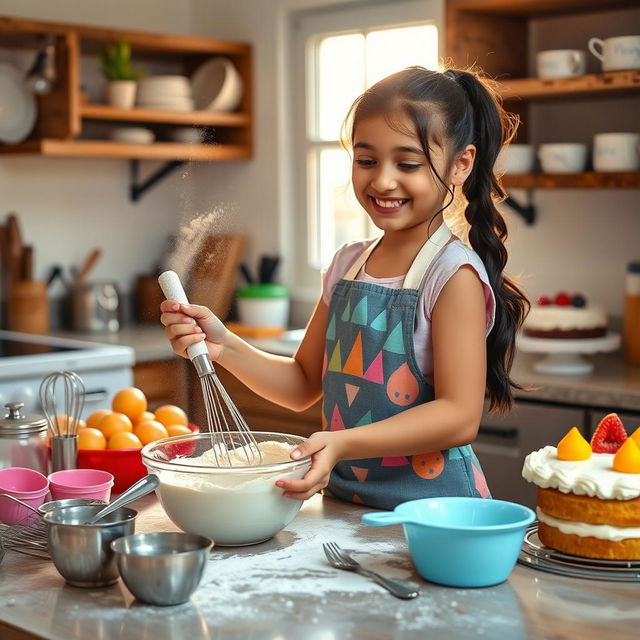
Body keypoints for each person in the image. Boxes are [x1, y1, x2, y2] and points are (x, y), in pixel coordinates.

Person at [160, 66, 529, 510]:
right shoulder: (347, 264)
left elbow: (459, 416)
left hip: (436, 511)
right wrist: (224, 345)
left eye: (408, 163)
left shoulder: (452, 276)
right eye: (366, 160)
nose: (382, 180)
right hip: (348, 504)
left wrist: (341, 443)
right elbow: (301, 383)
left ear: (460, 165)